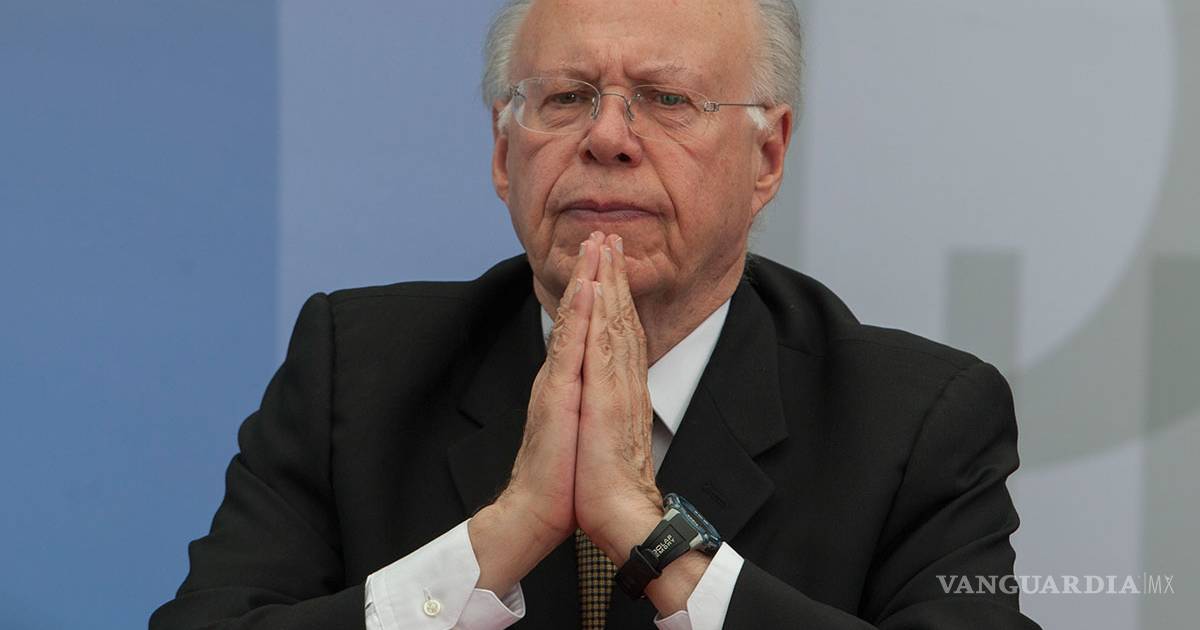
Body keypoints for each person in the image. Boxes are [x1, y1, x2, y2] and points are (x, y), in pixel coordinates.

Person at [151, 1, 1041, 628]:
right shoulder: (356, 371)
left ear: (767, 156)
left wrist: (651, 538)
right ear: (504, 151)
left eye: (667, 99)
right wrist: (501, 536)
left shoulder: (914, 421)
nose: (607, 138)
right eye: (566, 97)